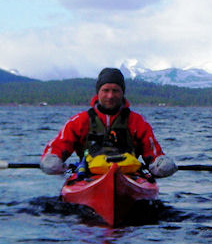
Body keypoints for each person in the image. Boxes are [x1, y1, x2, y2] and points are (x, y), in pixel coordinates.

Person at [40, 67, 177, 178]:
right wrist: (52, 160)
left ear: (122, 93)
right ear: (98, 93)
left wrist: (160, 163)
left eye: (115, 91)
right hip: (88, 175)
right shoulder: (79, 121)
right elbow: (58, 146)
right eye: (105, 90)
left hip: (128, 176)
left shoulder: (137, 121)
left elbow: (153, 153)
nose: (110, 96)